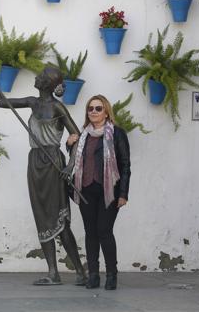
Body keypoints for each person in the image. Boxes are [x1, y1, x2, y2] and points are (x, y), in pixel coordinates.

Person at [0, 62, 87, 286]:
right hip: (35, 162)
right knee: (42, 216)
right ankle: (53, 272)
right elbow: (0, 102)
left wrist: (70, 165)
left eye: (41, 75)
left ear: (47, 82)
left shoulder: (58, 109)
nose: (36, 77)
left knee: (60, 220)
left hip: (53, 162)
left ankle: (81, 273)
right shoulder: (31, 102)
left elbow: (79, 136)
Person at [66, 94, 131, 290]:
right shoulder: (83, 135)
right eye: (90, 108)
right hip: (86, 189)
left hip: (109, 191)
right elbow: (76, 161)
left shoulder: (117, 133)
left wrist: (123, 193)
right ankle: (93, 275)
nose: (93, 111)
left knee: (104, 231)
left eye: (98, 108)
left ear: (106, 111)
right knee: (90, 232)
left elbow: (126, 165)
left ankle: (112, 274)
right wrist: (69, 144)